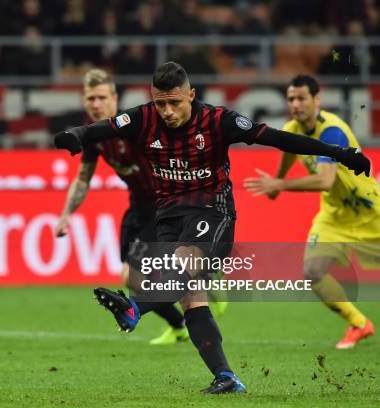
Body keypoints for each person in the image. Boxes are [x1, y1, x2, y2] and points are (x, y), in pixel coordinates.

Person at [53, 62, 370, 394]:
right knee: (191, 299)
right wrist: (77, 134)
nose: (167, 111)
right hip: (168, 217)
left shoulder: (219, 121)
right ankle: (226, 377)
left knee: (185, 264)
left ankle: (136, 307)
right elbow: (100, 129)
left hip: (212, 213)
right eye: (161, 103)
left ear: (191, 95)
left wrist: (340, 154)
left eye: (175, 103)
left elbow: (278, 138)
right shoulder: (142, 118)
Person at [55, 68, 189, 346]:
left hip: (164, 204)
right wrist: (66, 214)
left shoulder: (135, 125)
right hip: (138, 207)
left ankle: (203, 276)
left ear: (115, 99)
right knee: (135, 281)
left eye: (101, 97)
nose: (95, 104)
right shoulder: (93, 136)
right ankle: (179, 325)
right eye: (90, 98)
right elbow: (83, 179)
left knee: (134, 275)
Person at [243, 75, 378, 349]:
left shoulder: (332, 131)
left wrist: (280, 183)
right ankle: (359, 324)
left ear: (317, 100)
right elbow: (290, 152)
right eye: (291, 99)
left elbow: (325, 180)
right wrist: (276, 182)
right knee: (313, 271)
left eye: (301, 98)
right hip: (334, 214)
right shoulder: (292, 126)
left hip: (369, 211)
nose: (295, 104)